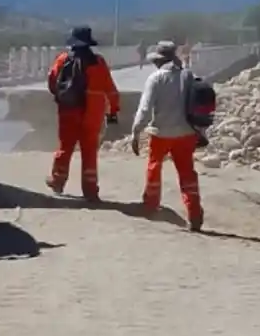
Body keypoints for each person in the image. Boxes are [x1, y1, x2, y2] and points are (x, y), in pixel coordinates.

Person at [130, 40, 204, 232]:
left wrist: (136, 131)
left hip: (161, 133)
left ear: (159, 60)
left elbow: (145, 109)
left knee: (154, 167)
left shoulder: (156, 79)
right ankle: (194, 212)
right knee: (187, 173)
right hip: (186, 134)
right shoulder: (189, 76)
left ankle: (151, 205)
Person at [46, 25, 120, 201]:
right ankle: (90, 190)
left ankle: (58, 181)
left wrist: (62, 97)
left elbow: (52, 82)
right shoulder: (98, 63)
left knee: (65, 147)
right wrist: (113, 111)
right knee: (89, 152)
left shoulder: (62, 60)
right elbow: (111, 89)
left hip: (68, 111)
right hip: (92, 114)